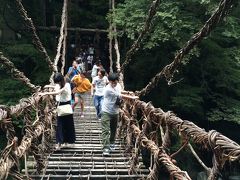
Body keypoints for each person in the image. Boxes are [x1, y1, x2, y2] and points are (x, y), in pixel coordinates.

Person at [101, 73, 139, 156]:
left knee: (114, 130)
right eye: (112, 82)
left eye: (115, 82)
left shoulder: (118, 85)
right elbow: (120, 95)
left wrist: (128, 92)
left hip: (115, 111)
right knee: (106, 130)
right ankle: (106, 149)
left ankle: (111, 143)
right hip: (106, 111)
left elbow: (120, 91)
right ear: (109, 81)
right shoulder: (107, 89)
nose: (114, 84)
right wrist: (133, 98)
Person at [40, 73, 76, 150]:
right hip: (60, 106)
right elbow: (56, 87)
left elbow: (58, 92)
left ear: (61, 80)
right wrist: (49, 86)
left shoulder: (67, 85)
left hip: (65, 105)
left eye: (58, 82)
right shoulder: (59, 84)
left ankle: (64, 142)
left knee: (67, 125)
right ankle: (60, 143)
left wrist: (46, 93)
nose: (57, 83)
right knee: (60, 125)